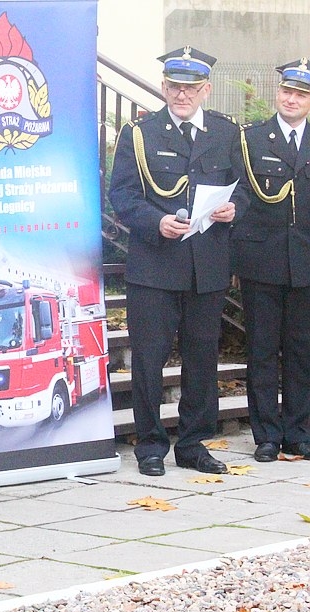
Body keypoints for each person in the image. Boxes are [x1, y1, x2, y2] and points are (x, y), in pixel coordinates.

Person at [108, 46, 244, 477]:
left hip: (207, 265)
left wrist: (233, 208)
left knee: (202, 357)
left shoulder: (226, 133)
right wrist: (156, 221)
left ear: (206, 90)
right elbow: (122, 195)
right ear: (164, 87)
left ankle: (193, 443)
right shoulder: (141, 133)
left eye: (190, 88)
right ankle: (150, 444)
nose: (181, 95)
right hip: (155, 265)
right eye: (174, 87)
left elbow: (243, 187)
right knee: (149, 357)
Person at [230, 59, 310, 463]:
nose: (292, 99)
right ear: (277, 94)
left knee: (302, 350)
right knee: (261, 349)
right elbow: (240, 194)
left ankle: (298, 432)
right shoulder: (251, 139)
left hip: (306, 263)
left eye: (300, 94)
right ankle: (266, 435)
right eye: (287, 92)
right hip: (261, 259)